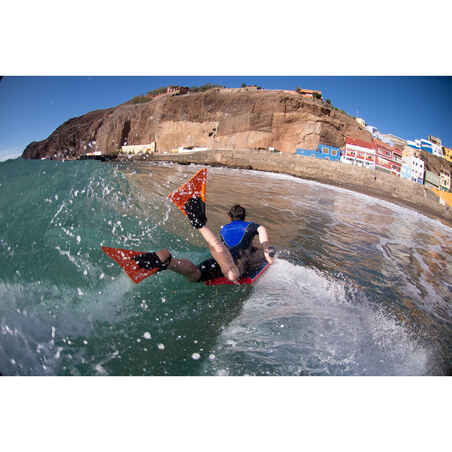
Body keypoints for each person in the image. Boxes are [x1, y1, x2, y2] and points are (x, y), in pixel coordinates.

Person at [133, 198, 274, 284]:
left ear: (230, 217)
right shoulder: (251, 226)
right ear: (244, 216)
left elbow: (227, 245)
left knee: (195, 274)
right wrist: (267, 250)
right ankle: (201, 225)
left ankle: (169, 262)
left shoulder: (224, 229)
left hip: (219, 256)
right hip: (233, 260)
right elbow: (262, 231)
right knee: (232, 273)